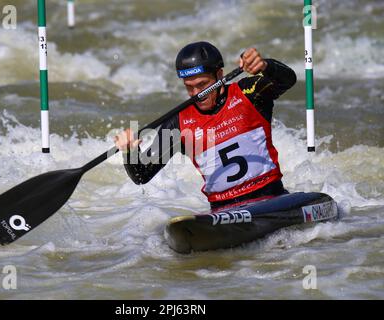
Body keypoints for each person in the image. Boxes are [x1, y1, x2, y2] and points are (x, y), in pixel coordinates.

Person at [114, 41, 297, 209]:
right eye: (189, 87)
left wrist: (265, 65)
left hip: (271, 199)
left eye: (202, 85)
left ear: (219, 75)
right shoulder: (179, 123)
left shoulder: (249, 93)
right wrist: (129, 151)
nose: (196, 93)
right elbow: (142, 175)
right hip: (223, 211)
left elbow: (287, 79)